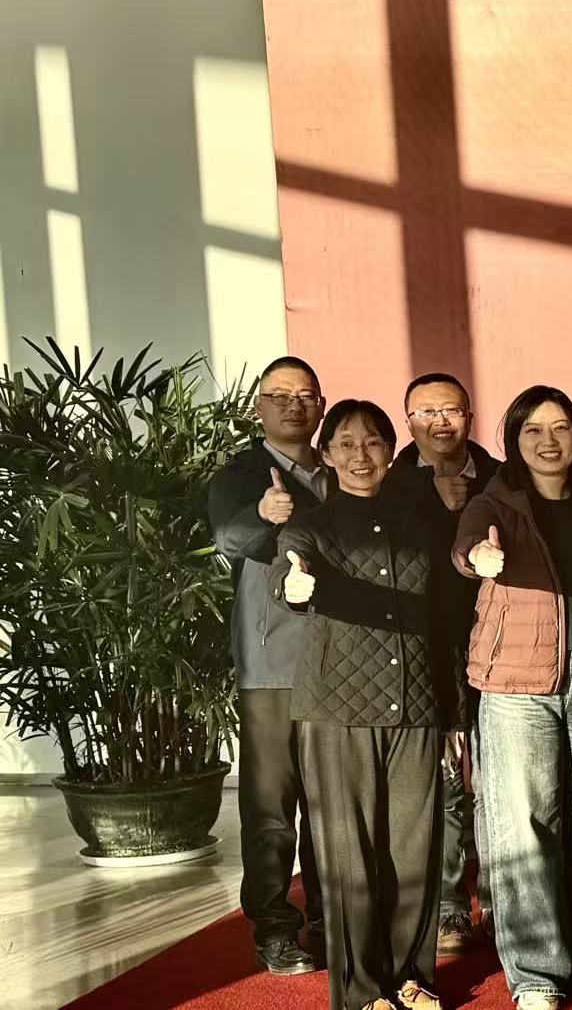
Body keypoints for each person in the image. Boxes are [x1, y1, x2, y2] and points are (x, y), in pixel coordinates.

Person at [455, 386, 572, 1010]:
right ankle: (534, 973)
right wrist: (479, 556)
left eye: (560, 428)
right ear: (514, 439)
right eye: (533, 430)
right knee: (525, 823)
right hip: (515, 681)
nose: (548, 441)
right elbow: (465, 550)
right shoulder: (495, 501)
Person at [275, 401, 450, 1010]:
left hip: (417, 704)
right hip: (337, 711)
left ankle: (412, 976)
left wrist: (453, 711)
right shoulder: (311, 527)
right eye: (346, 444)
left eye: (373, 442)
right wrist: (294, 587)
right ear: (326, 454)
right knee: (349, 855)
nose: (360, 456)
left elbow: (444, 619)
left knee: (415, 848)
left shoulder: (420, 524)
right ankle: (361, 992)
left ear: (390, 450)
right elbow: (289, 574)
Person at [207, 354, 329, 976]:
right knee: (272, 807)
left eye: (304, 395)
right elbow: (227, 539)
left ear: (321, 405)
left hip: (340, 663)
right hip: (272, 664)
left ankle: (332, 919)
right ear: (259, 407)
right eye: (279, 396)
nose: (292, 405)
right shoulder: (241, 474)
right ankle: (276, 927)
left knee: (334, 803)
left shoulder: (342, 466)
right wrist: (262, 514)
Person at [381, 372, 499, 955]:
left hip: (498, 646)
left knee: (500, 781)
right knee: (446, 782)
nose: (439, 421)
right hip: (424, 651)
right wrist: (436, 508)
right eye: (425, 412)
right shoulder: (389, 484)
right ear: (409, 421)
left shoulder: (502, 477)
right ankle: (449, 906)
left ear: (470, 416)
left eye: (450, 410)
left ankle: (502, 901)